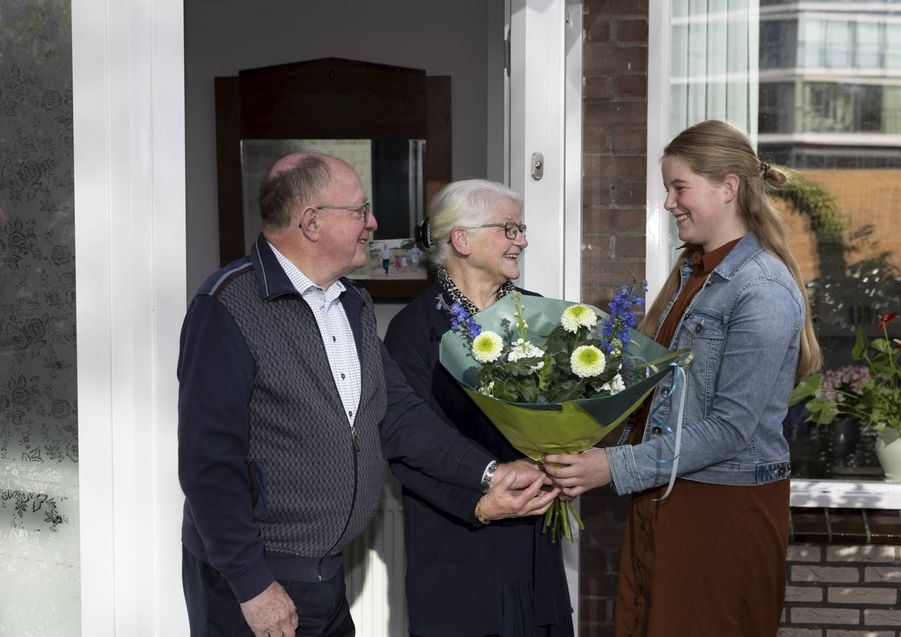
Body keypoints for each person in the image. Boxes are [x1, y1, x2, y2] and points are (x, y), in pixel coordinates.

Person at [178, 154, 557, 637]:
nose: (373, 223)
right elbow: (208, 462)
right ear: (312, 221)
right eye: (360, 211)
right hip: (257, 582)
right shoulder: (228, 305)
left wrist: (491, 473)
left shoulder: (351, 302)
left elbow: (400, 419)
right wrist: (253, 586)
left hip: (328, 575)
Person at [545, 120, 822, 636]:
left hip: (722, 510)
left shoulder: (759, 288)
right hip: (670, 497)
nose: (670, 202)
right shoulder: (693, 274)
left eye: (679, 187)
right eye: (667, 189)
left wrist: (613, 466)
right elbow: (660, 400)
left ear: (728, 188)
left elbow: (730, 429)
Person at [384, 179, 574, 637]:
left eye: (521, 229)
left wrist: (569, 460)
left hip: (535, 551)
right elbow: (406, 449)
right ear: (462, 240)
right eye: (509, 228)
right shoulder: (413, 330)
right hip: (460, 552)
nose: (522, 240)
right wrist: (480, 504)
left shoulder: (541, 317)